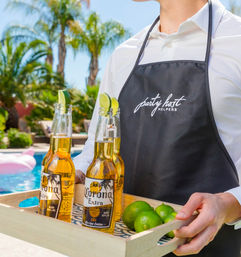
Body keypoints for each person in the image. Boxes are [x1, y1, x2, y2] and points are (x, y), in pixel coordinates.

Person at [74, 0, 241, 256]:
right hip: (123, 244)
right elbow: (94, 151)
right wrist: (72, 171)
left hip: (214, 247)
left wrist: (229, 204)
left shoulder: (236, 41)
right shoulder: (124, 55)